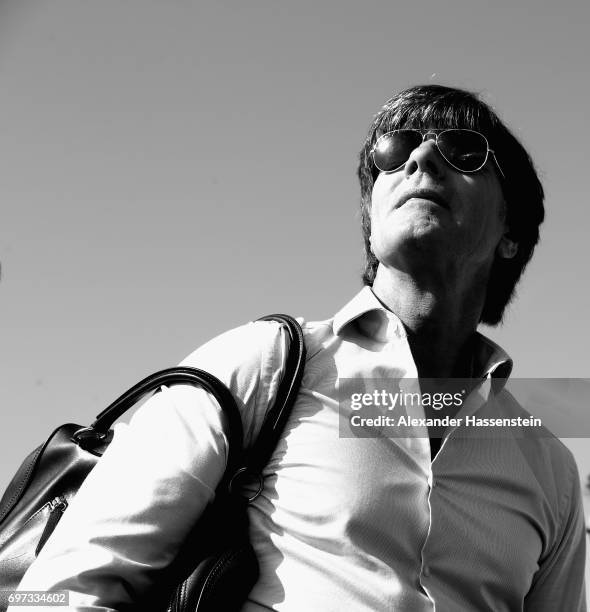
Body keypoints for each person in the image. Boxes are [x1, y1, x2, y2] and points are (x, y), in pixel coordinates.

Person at [10, 84, 587, 611]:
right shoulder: (263, 365)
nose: (419, 158)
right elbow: (60, 591)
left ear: (512, 234)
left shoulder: (549, 472)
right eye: (394, 150)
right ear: (371, 225)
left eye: (463, 151)